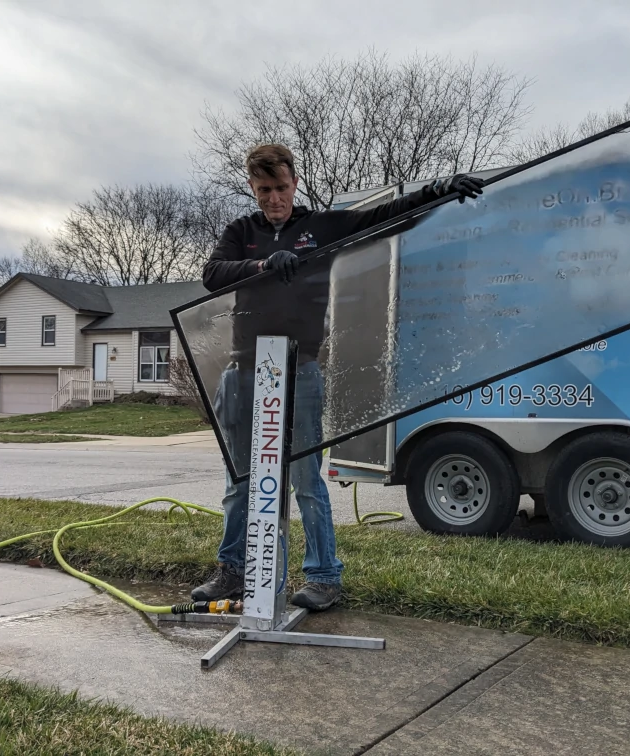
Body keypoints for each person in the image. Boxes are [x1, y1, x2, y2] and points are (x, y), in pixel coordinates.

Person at [192, 143, 485, 611]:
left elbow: (388, 217)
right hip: (245, 372)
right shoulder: (240, 232)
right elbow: (212, 275)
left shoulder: (320, 228)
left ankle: (324, 577)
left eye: (281, 188)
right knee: (241, 481)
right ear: (252, 188)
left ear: (295, 183)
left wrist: (439, 190)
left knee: (307, 478)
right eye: (264, 190)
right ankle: (233, 571)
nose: (273, 198)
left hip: (301, 369)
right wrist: (264, 265)